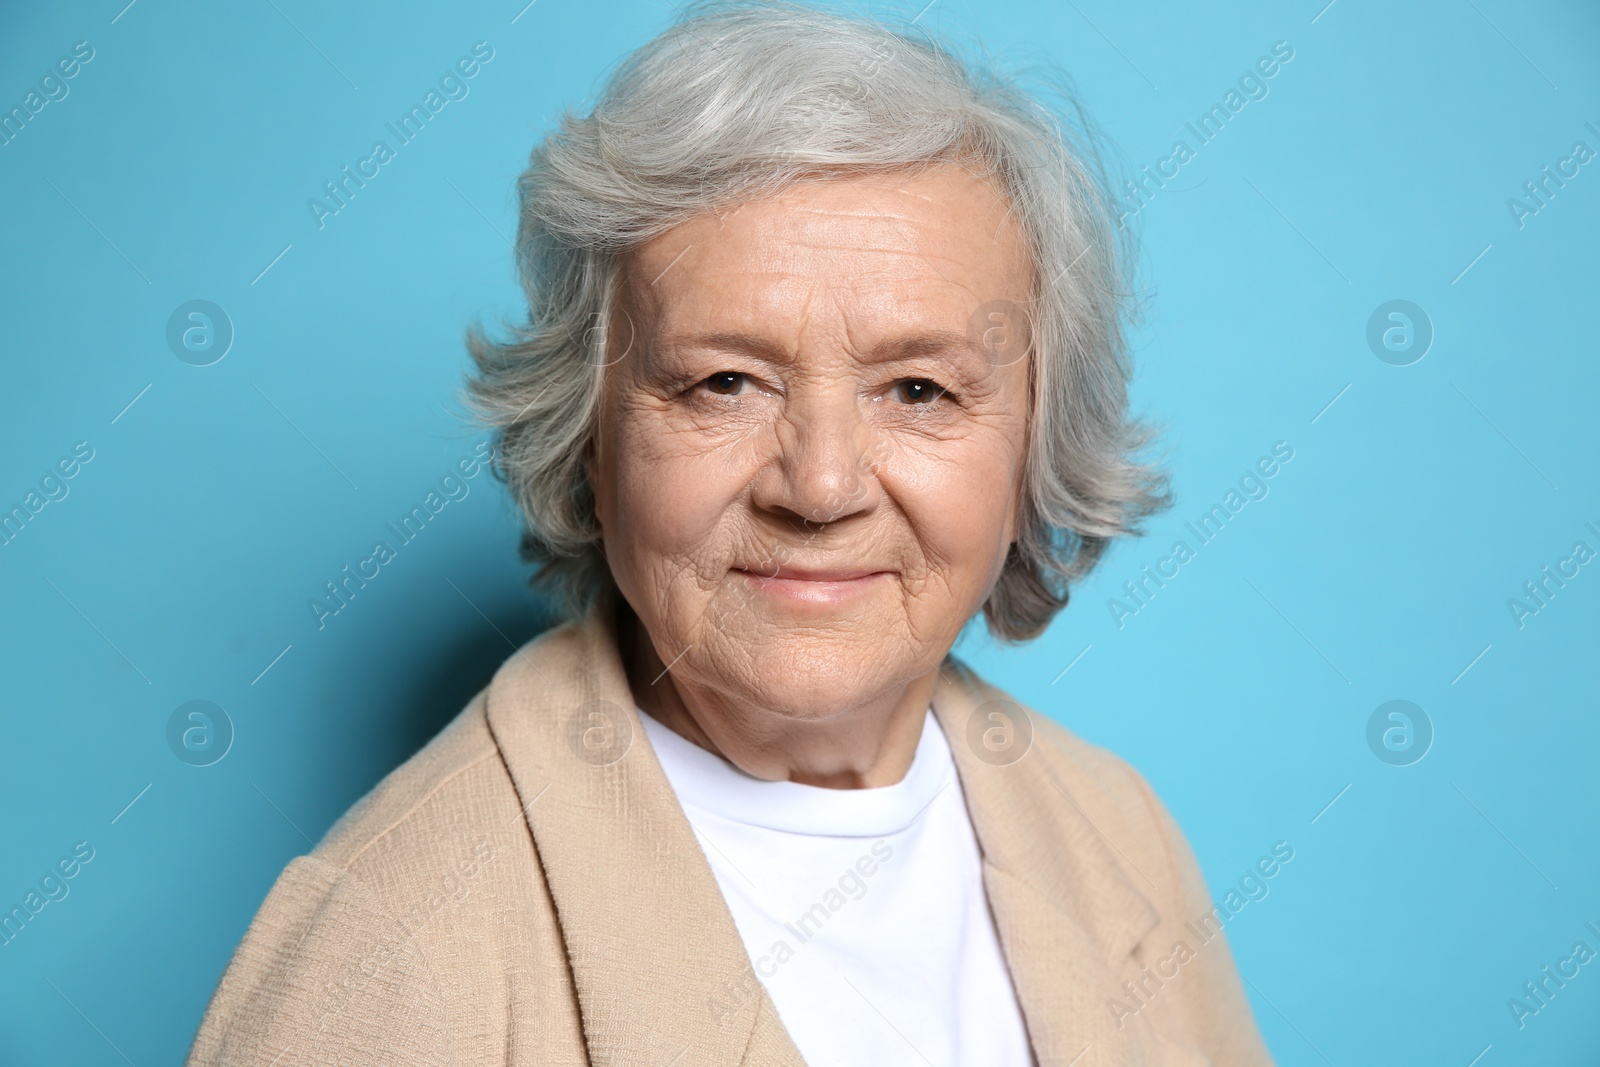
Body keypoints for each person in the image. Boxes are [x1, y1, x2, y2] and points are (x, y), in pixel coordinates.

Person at [186, 3, 1274, 1064]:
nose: (822, 482)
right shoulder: (389, 955)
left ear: (1034, 445)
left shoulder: (1113, 830)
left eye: (918, 387)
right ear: (588, 440)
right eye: (724, 381)